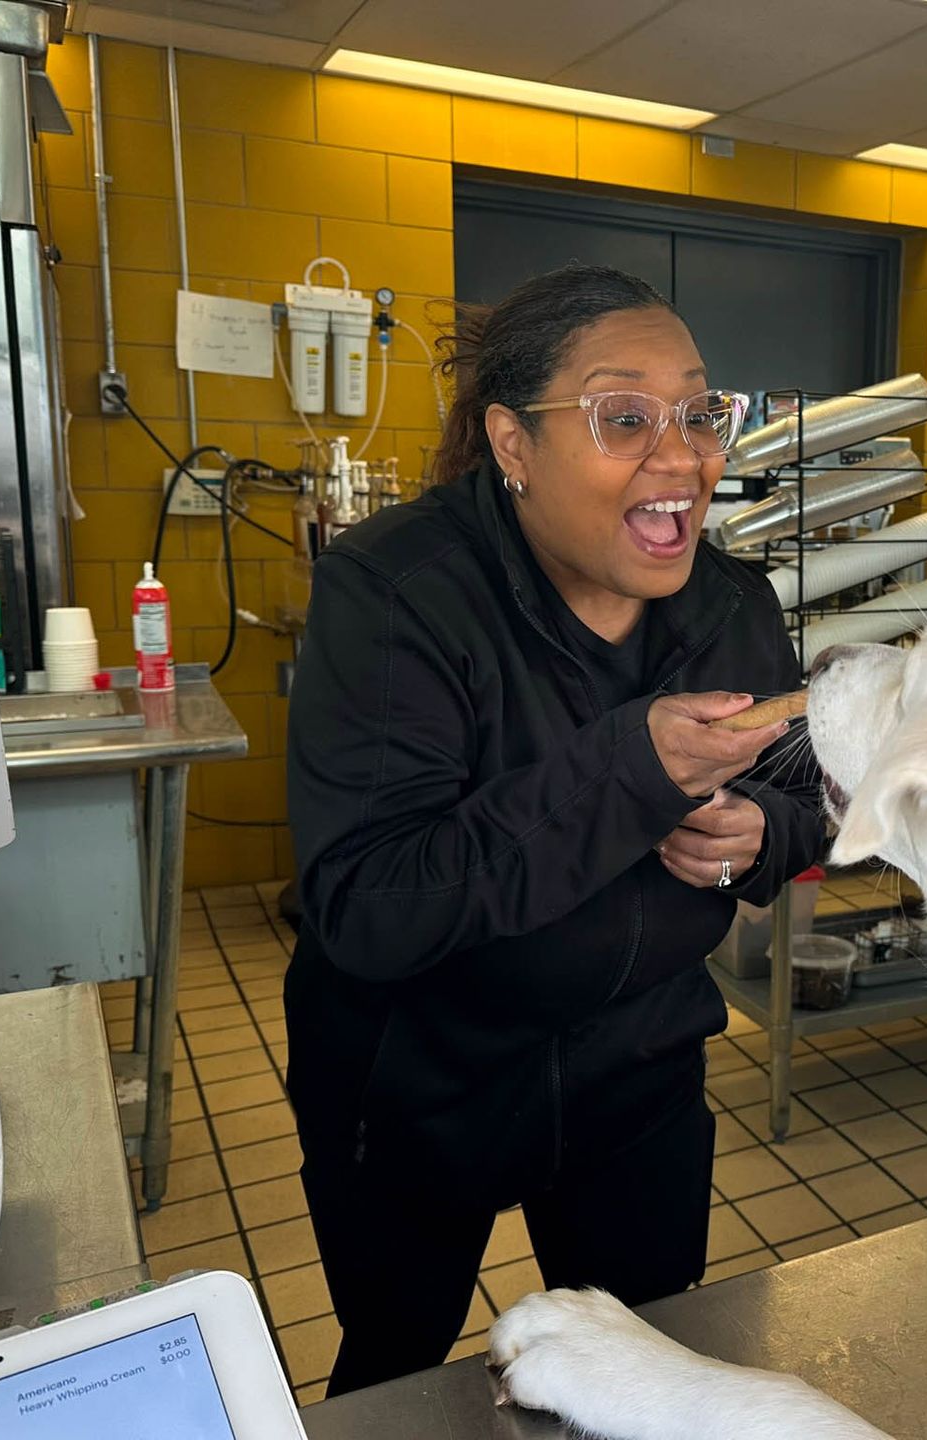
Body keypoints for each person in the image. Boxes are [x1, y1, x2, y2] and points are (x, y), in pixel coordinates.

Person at [283, 264, 824, 1396]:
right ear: (514, 445)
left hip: (640, 1068)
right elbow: (370, 902)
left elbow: (803, 795)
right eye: (624, 417)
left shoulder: (732, 605)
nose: (680, 458)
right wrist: (631, 772)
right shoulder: (398, 591)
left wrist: (751, 837)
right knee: (396, 1373)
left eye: (698, 413)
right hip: (421, 1077)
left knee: (646, 1370)